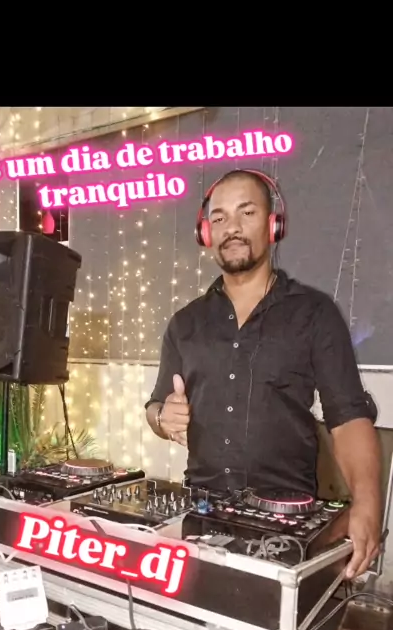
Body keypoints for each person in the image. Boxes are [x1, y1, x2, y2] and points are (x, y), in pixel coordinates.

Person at [145, 169, 382, 579]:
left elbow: (348, 417)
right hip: (200, 518)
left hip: (287, 522)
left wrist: (368, 502)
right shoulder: (184, 324)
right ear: (206, 234)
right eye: (219, 218)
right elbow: (155, 408)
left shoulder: (315, 314)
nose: (232, 227)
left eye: (247, 212)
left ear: (274, 226)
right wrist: (162, 418)